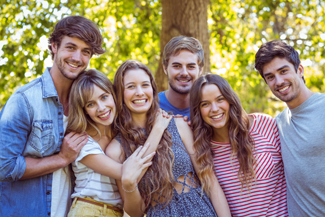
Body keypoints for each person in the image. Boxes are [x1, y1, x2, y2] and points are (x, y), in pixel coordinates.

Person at [0, 16, 104, 217]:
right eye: (71, 47)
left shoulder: (86, 104)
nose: (77, 57)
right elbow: (4, 166)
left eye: (86, 52)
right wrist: (61, 158)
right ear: (54, 46)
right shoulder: (24, 100)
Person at [106, 60, 231, 217]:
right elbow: (136, 213)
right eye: (131, 87)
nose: (139, 92)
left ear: (152, 89)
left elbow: (209, 180)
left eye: (145, 85)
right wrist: (129, 184)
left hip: (200, 210)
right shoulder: (115, 149)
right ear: (119, 93)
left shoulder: (178, 124)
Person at [190, 74, 288, 217]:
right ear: (198, 110)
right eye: (205, 104)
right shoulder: (202, 150)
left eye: (220, 99)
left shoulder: (264, 125)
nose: (215, 108)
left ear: (230, 100)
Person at [65, 69, 157, 217]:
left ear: (113, 96)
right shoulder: (82, 142)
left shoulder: (121, 136)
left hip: (115, 213)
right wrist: (158, 129)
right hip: (88, 210)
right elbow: (127, 174)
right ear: (84, 110)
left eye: (104, 97)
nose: (101, 108)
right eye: (91, 104)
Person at [255, 40, 325, 216]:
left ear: (300, 70)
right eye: (270, 77)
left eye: (283, 71)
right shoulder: (278, 124)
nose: (279, 81)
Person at [158, 36, 204, 118]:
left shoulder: (209, 108)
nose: (184, 73)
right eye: (177, 66)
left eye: (191, 66)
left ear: (200, 70)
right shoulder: (151, 106)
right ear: (165, 68)